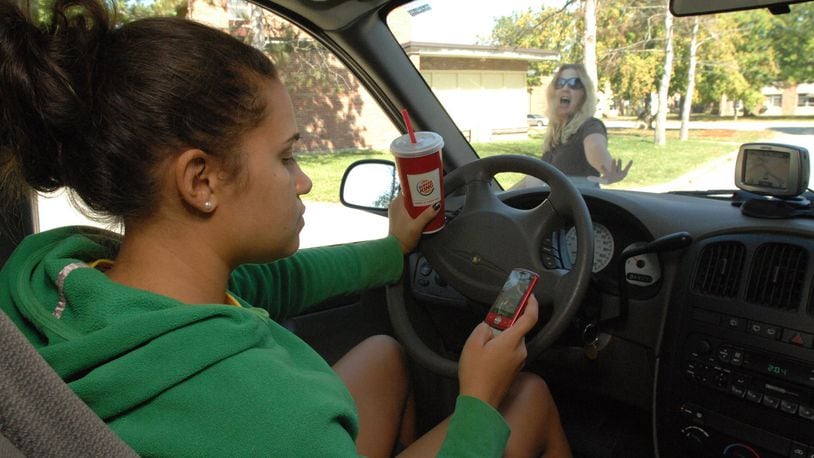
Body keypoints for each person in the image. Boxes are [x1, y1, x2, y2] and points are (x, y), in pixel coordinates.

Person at [0, 0, 572, 456]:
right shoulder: (271, 413)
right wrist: (478, 394)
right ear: (200, 181)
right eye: (286, 157)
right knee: (530, 400)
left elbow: (283, 279)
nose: (302, 182)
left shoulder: (60, 283)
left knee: (382, 356)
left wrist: (393, 250)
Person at [541, 64, 632, 186]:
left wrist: (606, 167)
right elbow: (536, 179)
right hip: (555, 202)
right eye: (559, 82)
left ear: (584, 94)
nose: (565, 88)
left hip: (582, 203)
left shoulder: (590, 125)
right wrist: (507, 197)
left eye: (574, 83)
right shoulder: (556, 133)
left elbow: (595, 146)